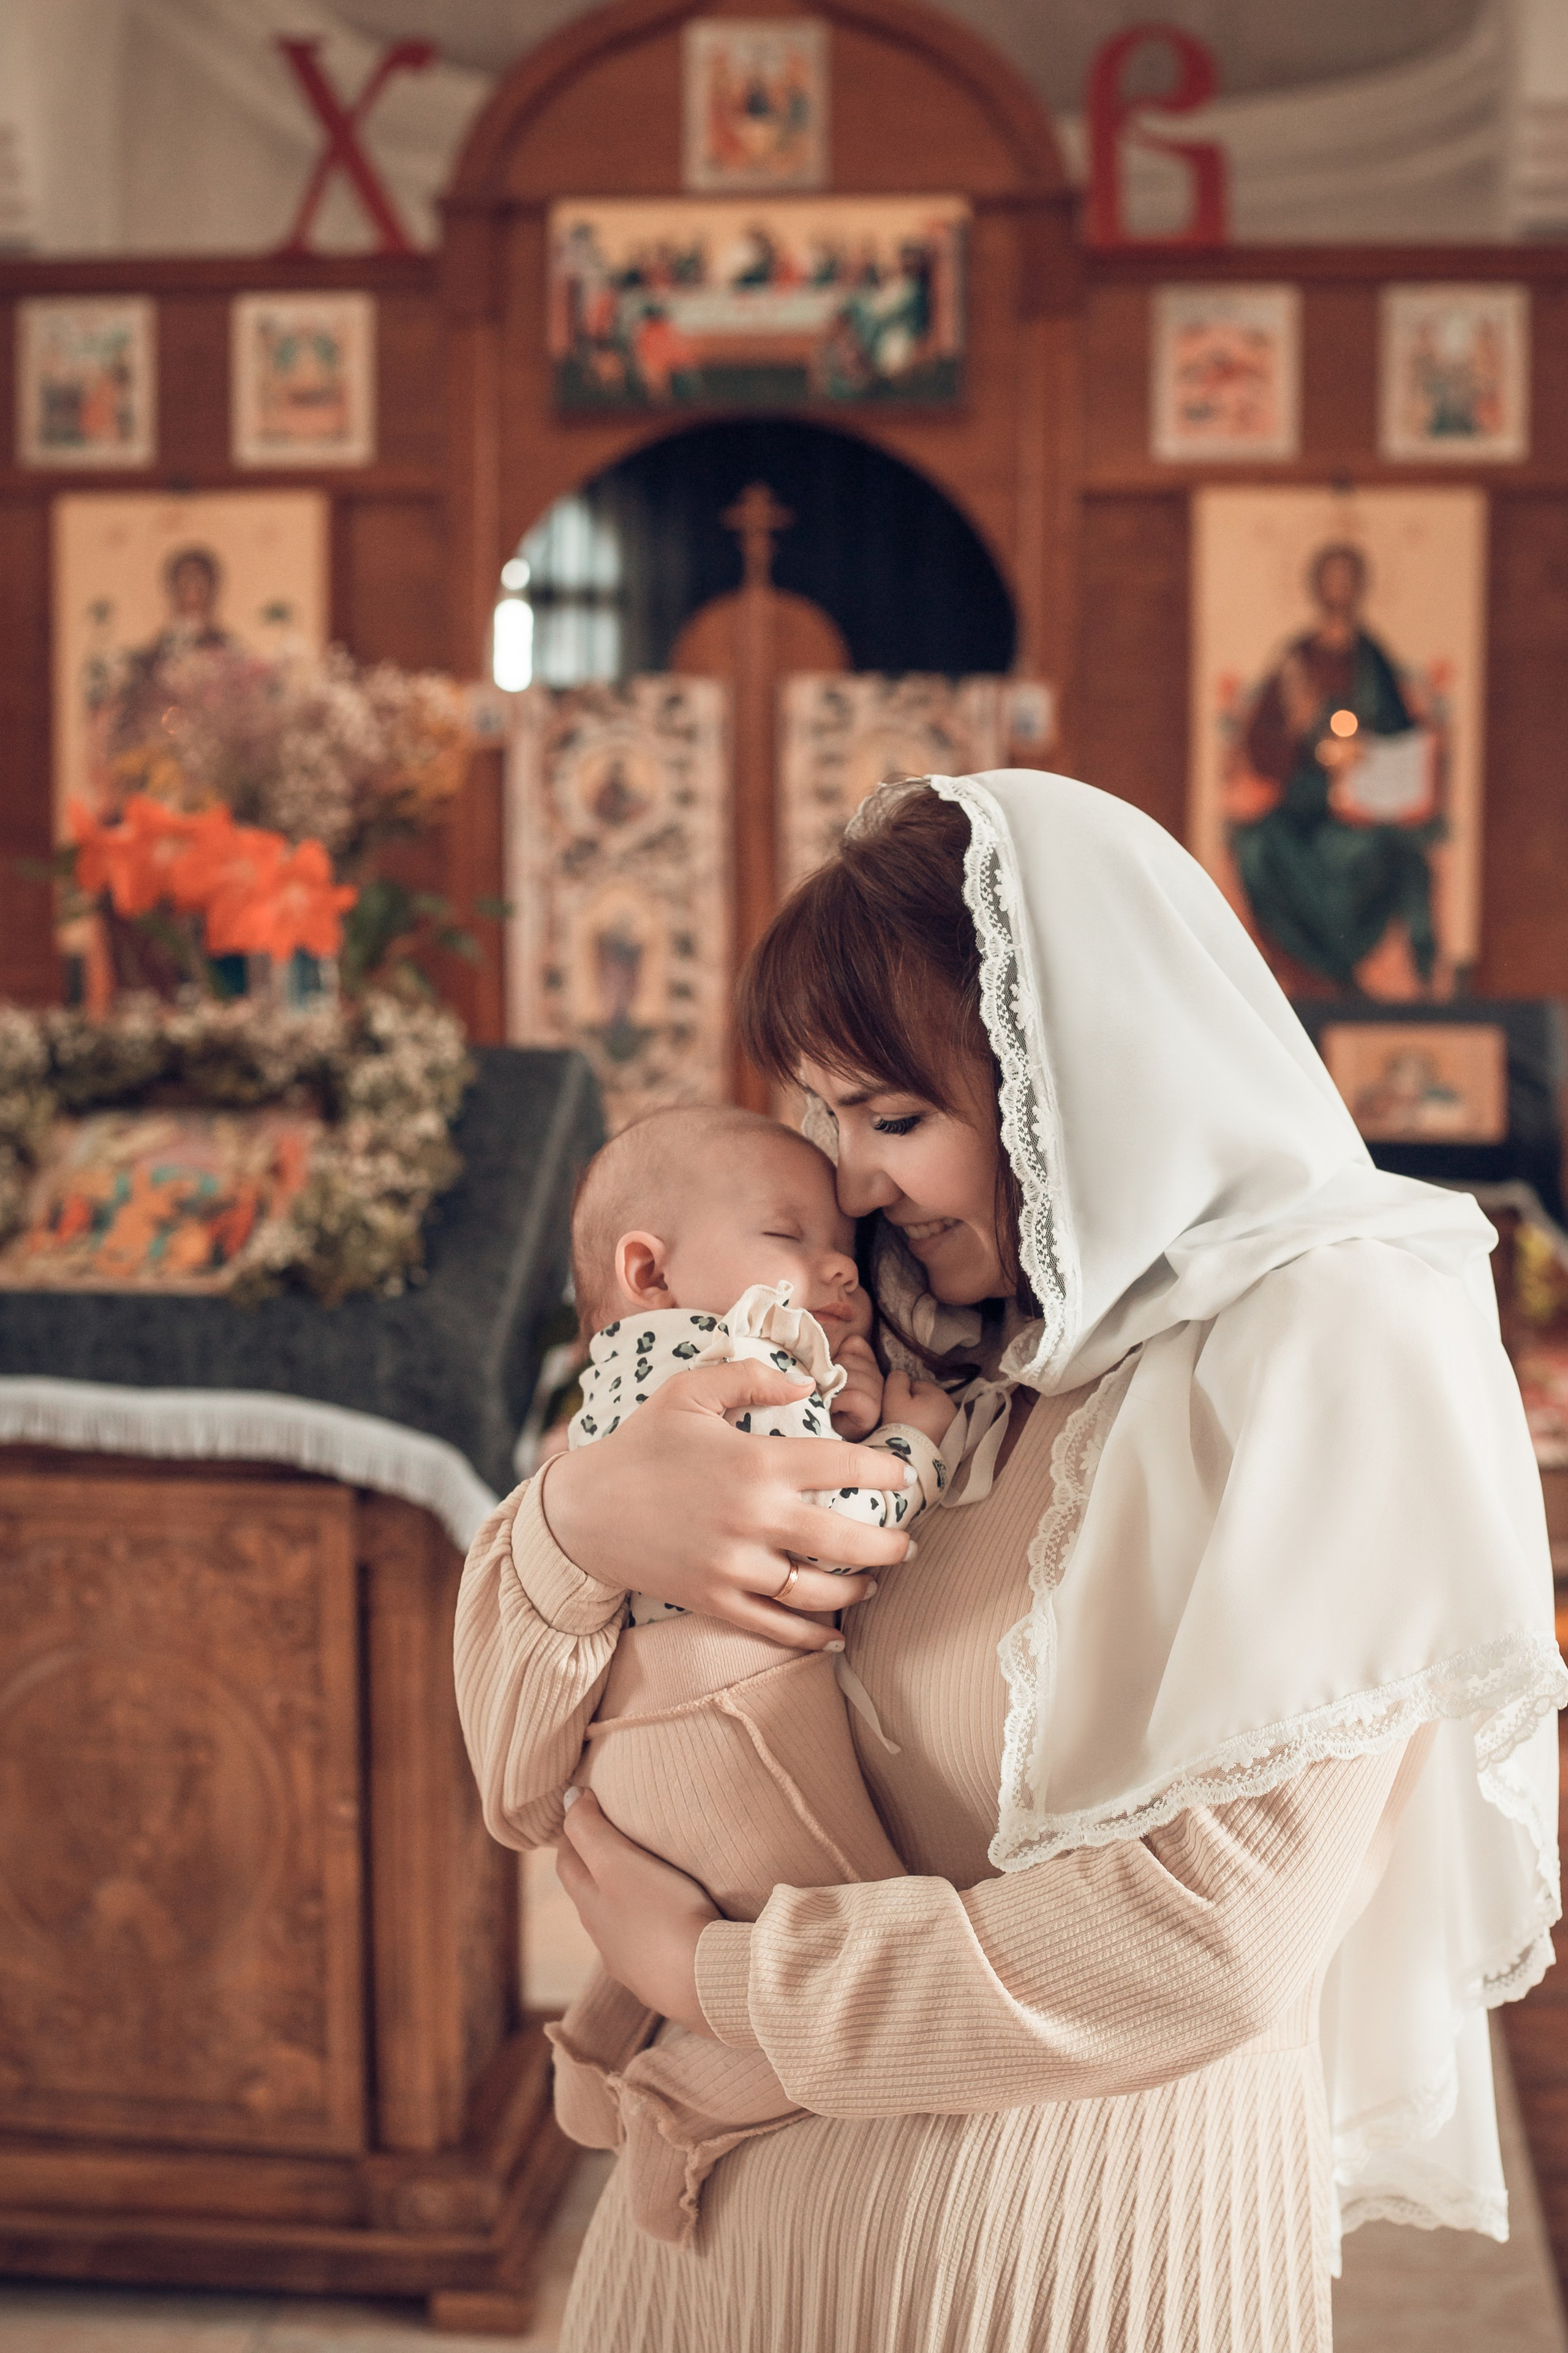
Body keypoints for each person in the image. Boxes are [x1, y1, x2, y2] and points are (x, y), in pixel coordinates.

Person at [456, 772, 1564, 2353]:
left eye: (897, 1117)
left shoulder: (1337, 1341)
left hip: (1058, 2274)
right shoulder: (901, 1318)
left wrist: (716, 1975)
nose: (846, 1183)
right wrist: (578, 1521)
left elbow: (1214, 1933)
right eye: (830, 1116)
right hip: (702, 2259)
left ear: (1081, 1078)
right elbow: (513, 1753)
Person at [538, 1103, 956, 2242]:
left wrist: (840, 1400)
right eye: (787, 1234)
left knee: (688, 1911)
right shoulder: (711, 1357)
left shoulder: (636, 1384)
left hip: (650, 1719)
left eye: (845, 1252)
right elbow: (834, 1519)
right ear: (649, 1268)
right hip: (726, 1706)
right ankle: (690, 2110)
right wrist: (908, 1443)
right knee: (853, 1922)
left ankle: (590, 2060)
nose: (838, 1264)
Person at [1234, 541, 1441, 989]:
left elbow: (1401, 734)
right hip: (1306, 803)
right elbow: (1262, 742)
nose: (1339, 588)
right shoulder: (1297, 659)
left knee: (1394, 856)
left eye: (1348, 578)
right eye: (1331, 578)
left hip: (1365, 806)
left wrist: (1370, 756)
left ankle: (1381, 972)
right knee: (1255, 846)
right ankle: (1298, 973)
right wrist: (1299, 724)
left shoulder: (1374, 662)